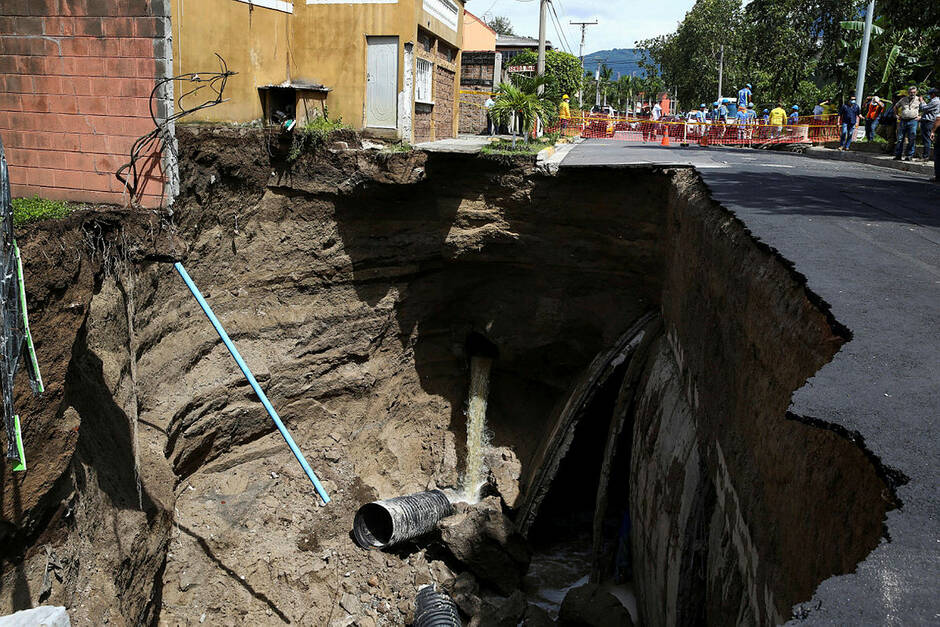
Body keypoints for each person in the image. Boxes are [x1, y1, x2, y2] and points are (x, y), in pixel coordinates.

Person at [893, 85, 923, 161]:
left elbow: (926, 108)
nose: (912, 93)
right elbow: (895, 107)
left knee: (912, 138)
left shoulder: (919, 99)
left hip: (913, 121)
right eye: (910, 92)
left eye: (913, 92)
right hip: (903, 120)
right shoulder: (903, 99)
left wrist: (921, 116)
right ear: (908, 92)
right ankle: (898, 155)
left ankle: (909, 155)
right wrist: (896, 115)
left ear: (916, 92)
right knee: (900, 139)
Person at [919, 87, 939, 161]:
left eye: (930, 94)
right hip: (928, 121)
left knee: (927, 139)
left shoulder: (935, 101)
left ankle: (925, 157)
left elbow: (924, 108)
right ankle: (925, 156)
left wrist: (922, 101)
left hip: (929, 122)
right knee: (926, 139)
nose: (929, 96)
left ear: (933, 94)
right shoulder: (934, 101)